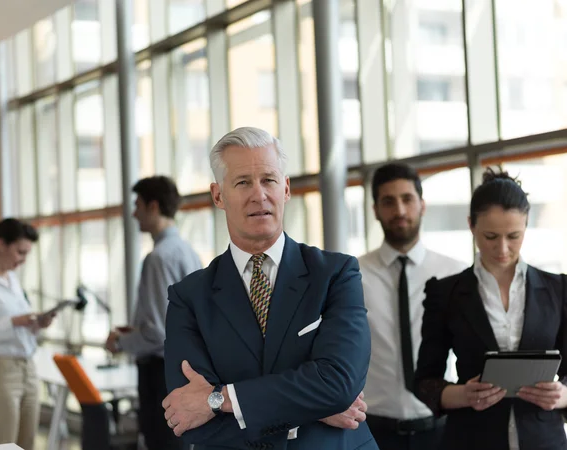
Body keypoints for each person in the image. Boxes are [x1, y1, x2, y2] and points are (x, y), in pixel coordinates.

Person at [160, 126, 377, 450]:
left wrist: (218, 399)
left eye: (269, 180)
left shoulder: (336, 274)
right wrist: (312, 409)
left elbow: (340, 385)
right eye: (243, 182)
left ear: (286, 188)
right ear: (218, 195)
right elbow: (189, 420)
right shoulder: (189, 297)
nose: (258, 194)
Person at [414, 168, 567, 450]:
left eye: (514, 236)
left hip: (544, 440)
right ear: (471, 225)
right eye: (490, 236)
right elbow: (425, 382)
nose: (503, 249)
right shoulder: (445, 293)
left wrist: (563, 395)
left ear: (527, 225)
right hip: (472, 439)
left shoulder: (559, 289)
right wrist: (462, 395)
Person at [358, 163, 466, 450]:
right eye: (389, 201)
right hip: (373, 432)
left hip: (441, 429)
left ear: (422, 205)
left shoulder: (455, 273)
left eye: (407, 199)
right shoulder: (352, 275)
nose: (400, 211)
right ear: (375, 210)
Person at [105, 175, 202, 450]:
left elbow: (159, 333)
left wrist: (120, 342)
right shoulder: (187, 252)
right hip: (185, 369)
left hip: (161, 374)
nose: (134, 213)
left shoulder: (158, 258)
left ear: (154, 207)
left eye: (138, 205)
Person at [0, 218, 55, 450]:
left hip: (28, 369)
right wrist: (12, 322)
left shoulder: (14, 282)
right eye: (20, 252)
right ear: (1, 244)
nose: (23, 260)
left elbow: (19, 330)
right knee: (0, 446)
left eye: (27, 254)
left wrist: (36, 324)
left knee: (27, 445)